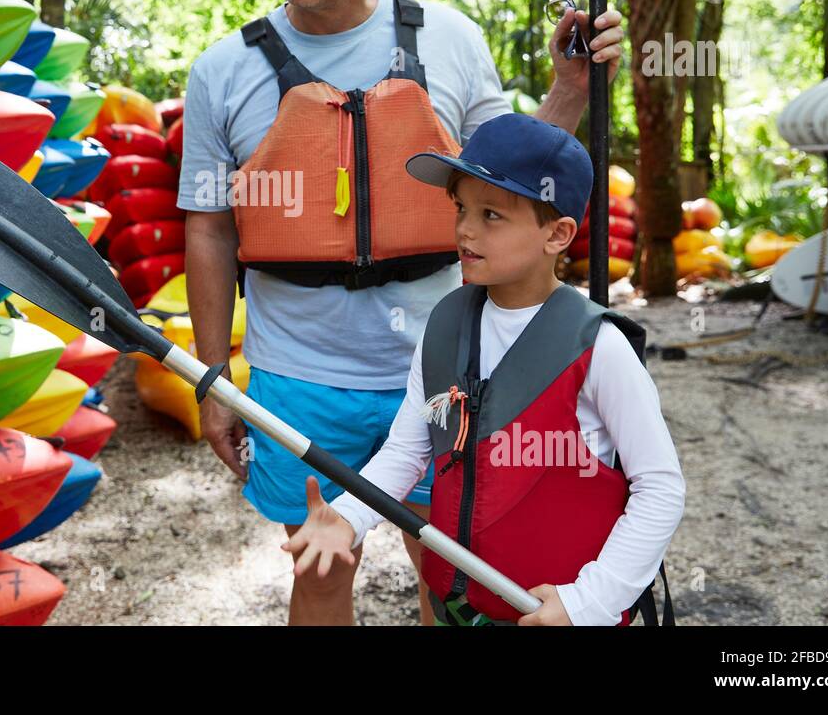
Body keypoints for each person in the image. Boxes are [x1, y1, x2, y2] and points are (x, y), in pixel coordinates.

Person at [177, 0, 627, 625]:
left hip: (444, 374)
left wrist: (571, 90)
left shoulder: (448, 39)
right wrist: (212, 378)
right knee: (320, 570)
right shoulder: (223, 70)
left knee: (448, 579)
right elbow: (210, 232)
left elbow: (515, 177)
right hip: (296, 378)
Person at [282, 112, 686, 626]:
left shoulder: (599, 347)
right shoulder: (444, 326)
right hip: (462, 610)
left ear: (557, 234)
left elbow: (660, 488)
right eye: (461, 208)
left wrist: (591, 601)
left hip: (560, 613)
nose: (465, 229)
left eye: (491, 215)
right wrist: (349, 516)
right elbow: (408, 449)